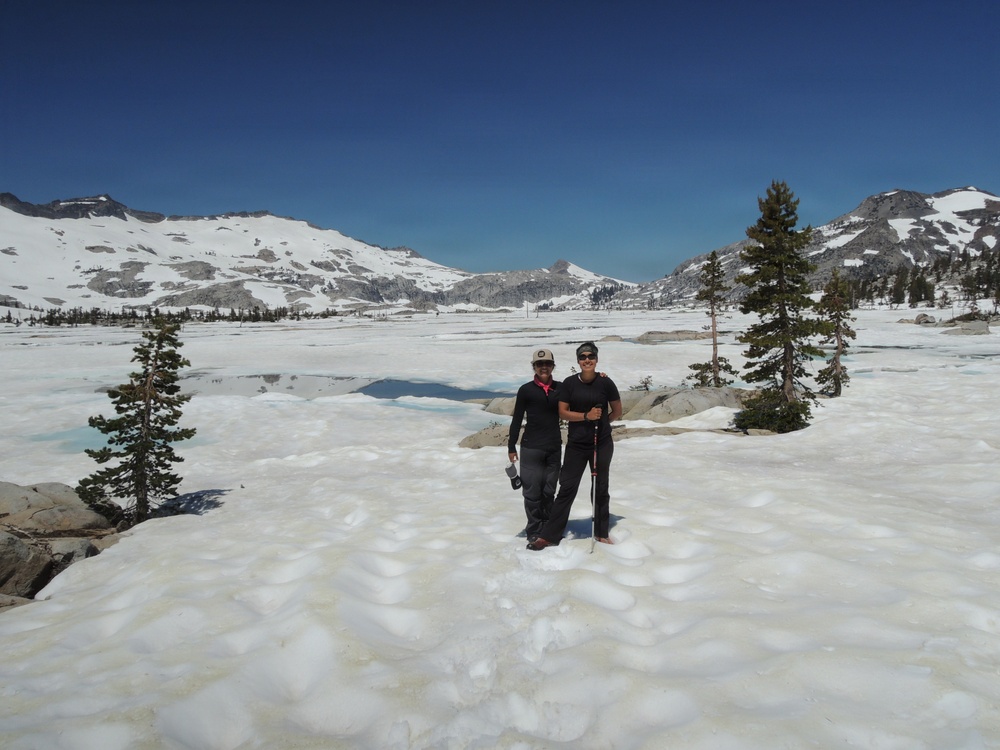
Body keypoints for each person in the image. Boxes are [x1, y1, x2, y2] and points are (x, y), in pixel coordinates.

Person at [528, 341, 622, 550]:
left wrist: (603, 423)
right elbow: (563, 412)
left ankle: (601, 531)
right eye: (582, 357)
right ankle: (550, 534)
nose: (587, 360)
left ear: (596, 359)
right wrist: (587, 417)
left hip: (601, 443)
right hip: (577, 445)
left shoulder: (606, 383)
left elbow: (616, 411)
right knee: (567, 487)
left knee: (600, 486)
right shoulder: (569, 384)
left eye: (590, 356)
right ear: (578, 361)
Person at [507, 348, 562, 543]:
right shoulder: (526, 390)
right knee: (531, 492)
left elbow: (582, 392)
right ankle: (533, 529)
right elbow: (517, 419)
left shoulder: (561, 388)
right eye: (539, 364)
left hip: (554, 447)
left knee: (549, 490)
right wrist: (511, 446)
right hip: (531, 448)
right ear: (534, 367)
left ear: (553, 366)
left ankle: (547, 527)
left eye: (547, 363)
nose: (543, 367)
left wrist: (600, 377)